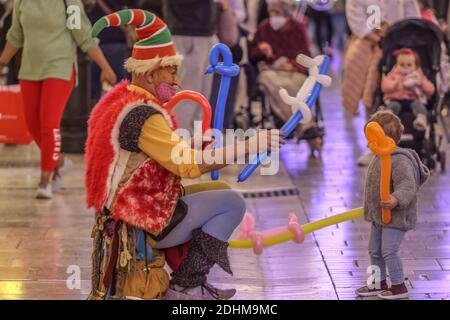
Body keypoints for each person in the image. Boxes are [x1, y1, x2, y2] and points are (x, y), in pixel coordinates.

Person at [86, 9, 284, 300]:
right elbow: (187, 167)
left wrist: (194, 144)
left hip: (128, 212)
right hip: (137, 219)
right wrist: (249, 145)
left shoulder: (122, 100)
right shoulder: (145, 115)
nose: (178, 80)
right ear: (151, 73)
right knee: (230, 203)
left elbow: (157, 158)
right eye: (172, 71)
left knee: (217, 189)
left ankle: (188, 280)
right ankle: (186, 286)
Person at [0, 0, 117, 199]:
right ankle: (60, 163)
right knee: (32, 126)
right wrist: (2, 62)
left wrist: (105, 67)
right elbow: (16, 36)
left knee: (49, 124)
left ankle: (45, 181)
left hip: (60, 68)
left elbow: (84, 37)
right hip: (29, 69)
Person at [356, 110, 430, 300]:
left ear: (383, 137)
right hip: (379, 216)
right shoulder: (378, 157)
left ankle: (398, 286)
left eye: (372, 137)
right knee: (374, 250)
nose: (369, 143)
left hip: (396, 216)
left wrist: (396, 199)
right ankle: (377, 283)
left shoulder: (399, 160)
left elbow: (408, 185)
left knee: (388, 250)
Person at [343, 0, 420, 166]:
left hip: (401, 44)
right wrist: (374, 35)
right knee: (369, 91)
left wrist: (401, 36)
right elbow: (355, 16)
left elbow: (413, 16)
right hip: (370, 43)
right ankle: (373, 144)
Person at [250, 0, 322, 153]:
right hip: (271, 71)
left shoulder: (298, 28)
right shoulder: (264, 28)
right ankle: (305, 125)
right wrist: (260, 50)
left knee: (298, 86)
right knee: (274, 83)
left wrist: (291, 64)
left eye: (278, 12)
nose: (274, 16)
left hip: (293, 71)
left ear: (286, 13)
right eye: (272, 12)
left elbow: (306, 56)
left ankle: (297, 125)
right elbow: (252, 55)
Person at [162, 0, 219, 132]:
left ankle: (197, 143)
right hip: (186, 32)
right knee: (186, 97)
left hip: (203, 32)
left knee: (202, 98)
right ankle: (182, 142)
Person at [87, 0, 138, 102]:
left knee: (92, 91)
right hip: (117, 42)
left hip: (94, 43)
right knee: (120, 90)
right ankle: (117, 115)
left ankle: (95, 115)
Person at [381, 48, 435, 131]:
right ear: (396, 65)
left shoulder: (418, 76)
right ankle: (387, 120)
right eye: (402, 65)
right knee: (393, 106)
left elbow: (431, 89)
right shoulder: (393, 75)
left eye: (409, 65)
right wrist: (397, 85)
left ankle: (421, 119)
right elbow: (384, 86)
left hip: (413, 100)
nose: (405, 67)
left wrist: (421, 83)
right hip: (396, 99)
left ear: (415, 66)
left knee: (418, 106)